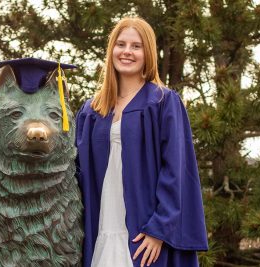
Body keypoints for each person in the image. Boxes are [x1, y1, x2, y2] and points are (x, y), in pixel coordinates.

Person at [75, 17, 208, 267]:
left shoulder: (163, 102)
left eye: (136, 46)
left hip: (145, 233)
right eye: (121, 44)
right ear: (111, 50)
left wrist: (159, 229)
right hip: (101, 228)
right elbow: (76, 171)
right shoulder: (91, 111)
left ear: (148, 53)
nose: (127, 52)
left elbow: (176, 171)